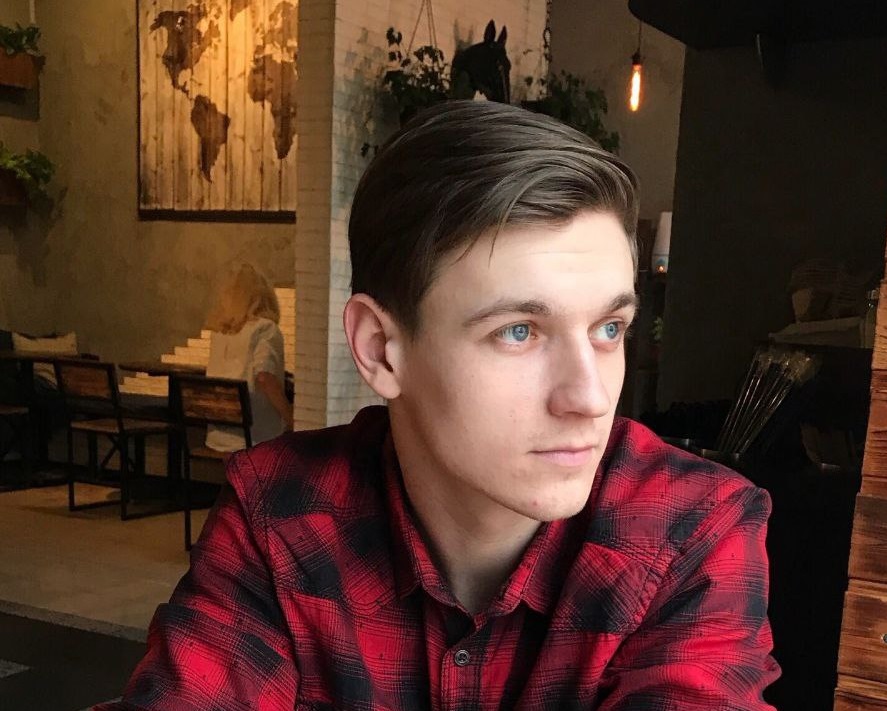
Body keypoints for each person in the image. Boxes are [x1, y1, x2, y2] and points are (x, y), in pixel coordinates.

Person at [99, 101, 780, 710]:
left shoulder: (691, 528)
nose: (591, 397)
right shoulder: (282, 513)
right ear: (380, 350)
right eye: (519, 331)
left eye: (609, 329)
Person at [203, 263, 293, 450]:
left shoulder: (219, 332)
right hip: (255, 437)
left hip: (217, 437)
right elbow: (264, 376)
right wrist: (291, 418)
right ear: (264, 296)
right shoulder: (265, 329)